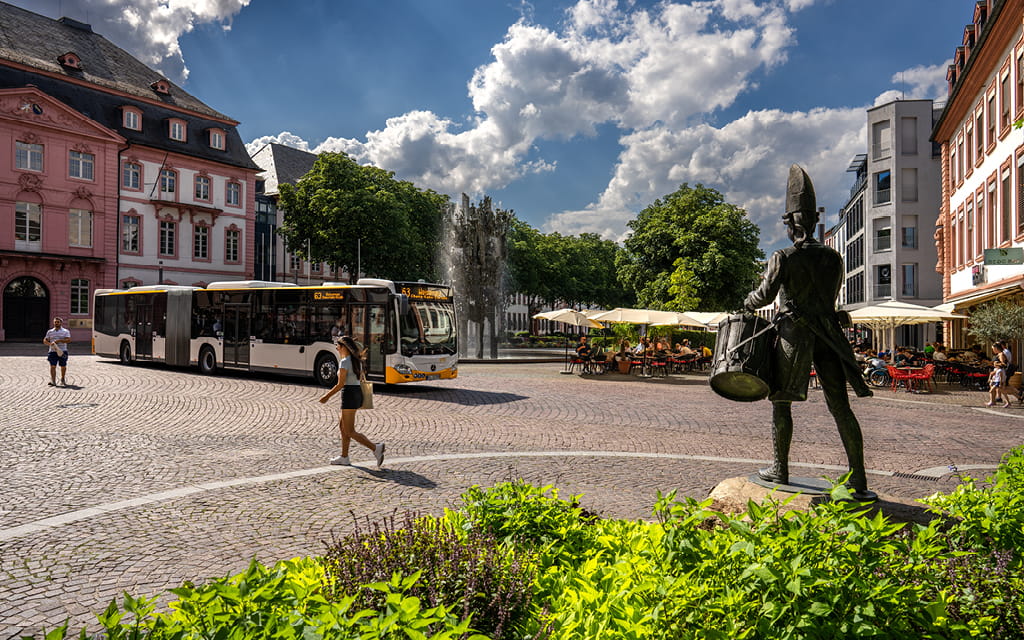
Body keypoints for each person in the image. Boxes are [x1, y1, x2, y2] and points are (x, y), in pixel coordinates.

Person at [742, 165, 874, 498]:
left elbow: (765, 297)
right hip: (830, 335)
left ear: (791, 224)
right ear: (813, 222)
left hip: (794, 335)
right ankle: (858, 477)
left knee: (780, 402)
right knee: (840, 407)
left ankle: (780, 468)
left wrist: (747, 300)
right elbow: (830, 298)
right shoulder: (833, 257)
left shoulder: (783, 257)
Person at [319, 336, 385, 467]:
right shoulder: (356, 361)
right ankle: (344, 457)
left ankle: (376, 448)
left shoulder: (344, 362)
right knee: (342, 427)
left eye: (338, 346)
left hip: (349, 394)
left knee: (349, 431)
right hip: (356, 393)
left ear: (344, 347)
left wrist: (326, 396)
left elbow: (340, 384)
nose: (336, 348)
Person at [43, 317, 71, 386]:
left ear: (61, 323)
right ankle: (53, 381)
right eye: (55, 322)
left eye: (58, 322)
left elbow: (68, 340)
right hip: (52, 351)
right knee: (52, 366)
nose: (56, 323)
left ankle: (63, 379)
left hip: (62, 351)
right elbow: (45, 340)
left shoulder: (65, 331)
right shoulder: (50, 331)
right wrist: (50, 344)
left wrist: (59, 341)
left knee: (63, 366)